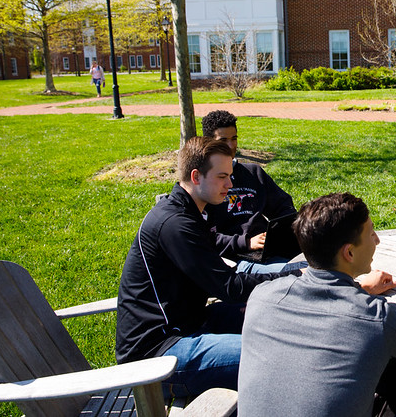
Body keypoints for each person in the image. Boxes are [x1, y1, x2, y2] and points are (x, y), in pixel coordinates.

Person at [238, 192, 396, 417]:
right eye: (372, 232)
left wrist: (359, 288)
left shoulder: (261, 297)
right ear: (349, 253)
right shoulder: (376, 317)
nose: (377, 239)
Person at [115, 137, 303, 399]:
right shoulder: (174, 224)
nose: (230, 184)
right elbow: (228, 287)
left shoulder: (193, 213)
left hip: (192, 323)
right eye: (222, 176)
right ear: (196, 176)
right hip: (157, 355)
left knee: (278, 314)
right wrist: (293, 277)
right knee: (275, 354)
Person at [202, 110, 301, 274]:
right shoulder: (205, 183)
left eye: (234, 139)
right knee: (302, 273)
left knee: (327, 264)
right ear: (208, 142)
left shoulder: (253, 173)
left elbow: (283, 207)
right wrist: (246, 242)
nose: (231, 146)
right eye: (223, 140)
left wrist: (279, 233)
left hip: (267, 251)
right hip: (235, 259)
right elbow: (204, 238)